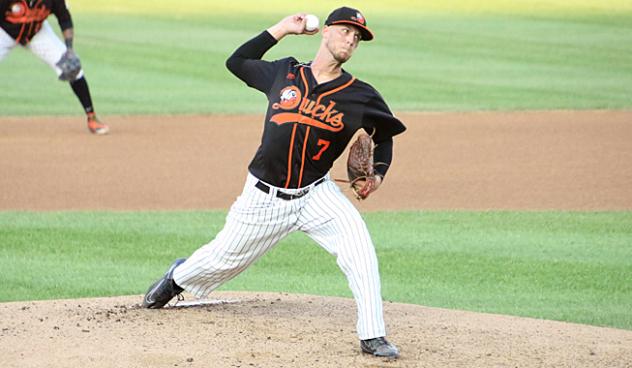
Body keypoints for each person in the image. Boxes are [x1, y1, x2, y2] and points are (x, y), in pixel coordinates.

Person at [142, 6, 406, 359]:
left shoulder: (360, 95)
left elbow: (385, 135)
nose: (351, 39)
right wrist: (282, 28)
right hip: (263, 198)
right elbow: (236, 62)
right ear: (326, 32)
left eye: (357, 37)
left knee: (360, 250)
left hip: (317, 195)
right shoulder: (284, 72)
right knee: (223, 260)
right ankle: (179, 276)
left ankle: (372, 335)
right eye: (345, 31)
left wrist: (377, 175)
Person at [0, 0, 109, 135]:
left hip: (36, 33)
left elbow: (65, 19)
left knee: (71, 67)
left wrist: (69, 49)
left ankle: (92, 117)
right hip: (4, 32)